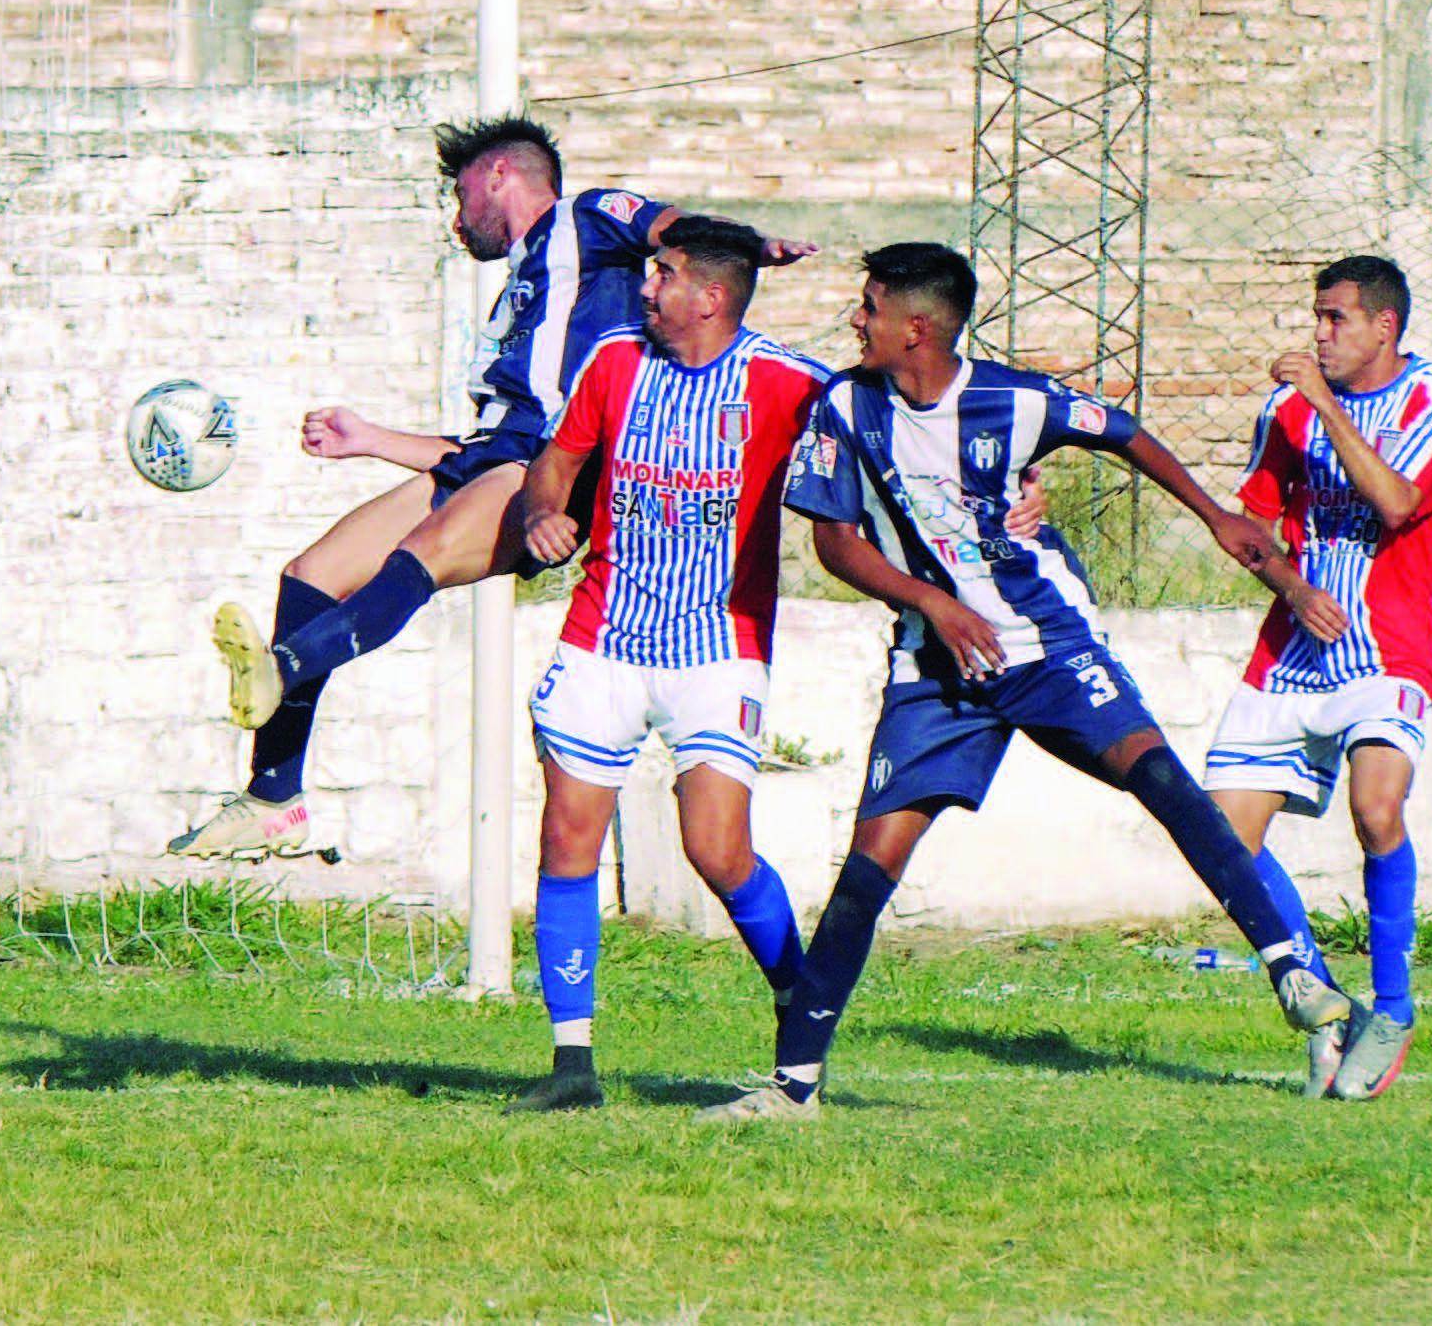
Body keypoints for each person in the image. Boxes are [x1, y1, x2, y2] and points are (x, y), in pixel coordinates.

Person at [700, 242, 1349, 1123]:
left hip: (1045, 645)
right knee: (870, 864)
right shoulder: (845, 406)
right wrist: (937, 601)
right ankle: (794, 1088)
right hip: (936, 668)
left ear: (916, 327)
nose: (856, 320)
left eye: (869, 307)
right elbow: (835, 542)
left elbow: (1125, 435)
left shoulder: (1017, 399)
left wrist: (1213, 514)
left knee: (1158, 776)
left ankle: (1293, 973)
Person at [170, 115, 814, 860]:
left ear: (499, 175)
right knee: (311, 577)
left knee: (426, 551)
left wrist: (750, 245)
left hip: (550, 468)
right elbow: (486, 442)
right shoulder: (523, 284)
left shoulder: (585, 218)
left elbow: (672, 229)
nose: (456, 214)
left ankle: (281, 668)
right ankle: (273, 799)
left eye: (460, 189)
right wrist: (373, 440)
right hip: (490, 459)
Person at [505, 217, 834, 1112]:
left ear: (711, 297)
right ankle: (572, 1066)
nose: (647, 287)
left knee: (715, 848)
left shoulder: (788, 382)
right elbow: (557, 463)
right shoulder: (614, 360)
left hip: (718, 649)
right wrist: (544, 512)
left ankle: (799, 1011)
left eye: (665, 273)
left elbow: (893, 433)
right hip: (601, 635)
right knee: (566, 839)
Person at [1203, 256, 1432, 1100]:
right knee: (1222, 842)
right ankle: (1322, 1000)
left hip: (1385, 648)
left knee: (1376, 806)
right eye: (1317, 318)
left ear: (1383, 327)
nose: (1319, 334)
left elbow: (1394, 502)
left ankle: (1392, 1007)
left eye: (1336, 319)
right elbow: (1250, 525)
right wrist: (1291, 584)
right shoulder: (1284, 409)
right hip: (1291, 650)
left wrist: (1325, 403)